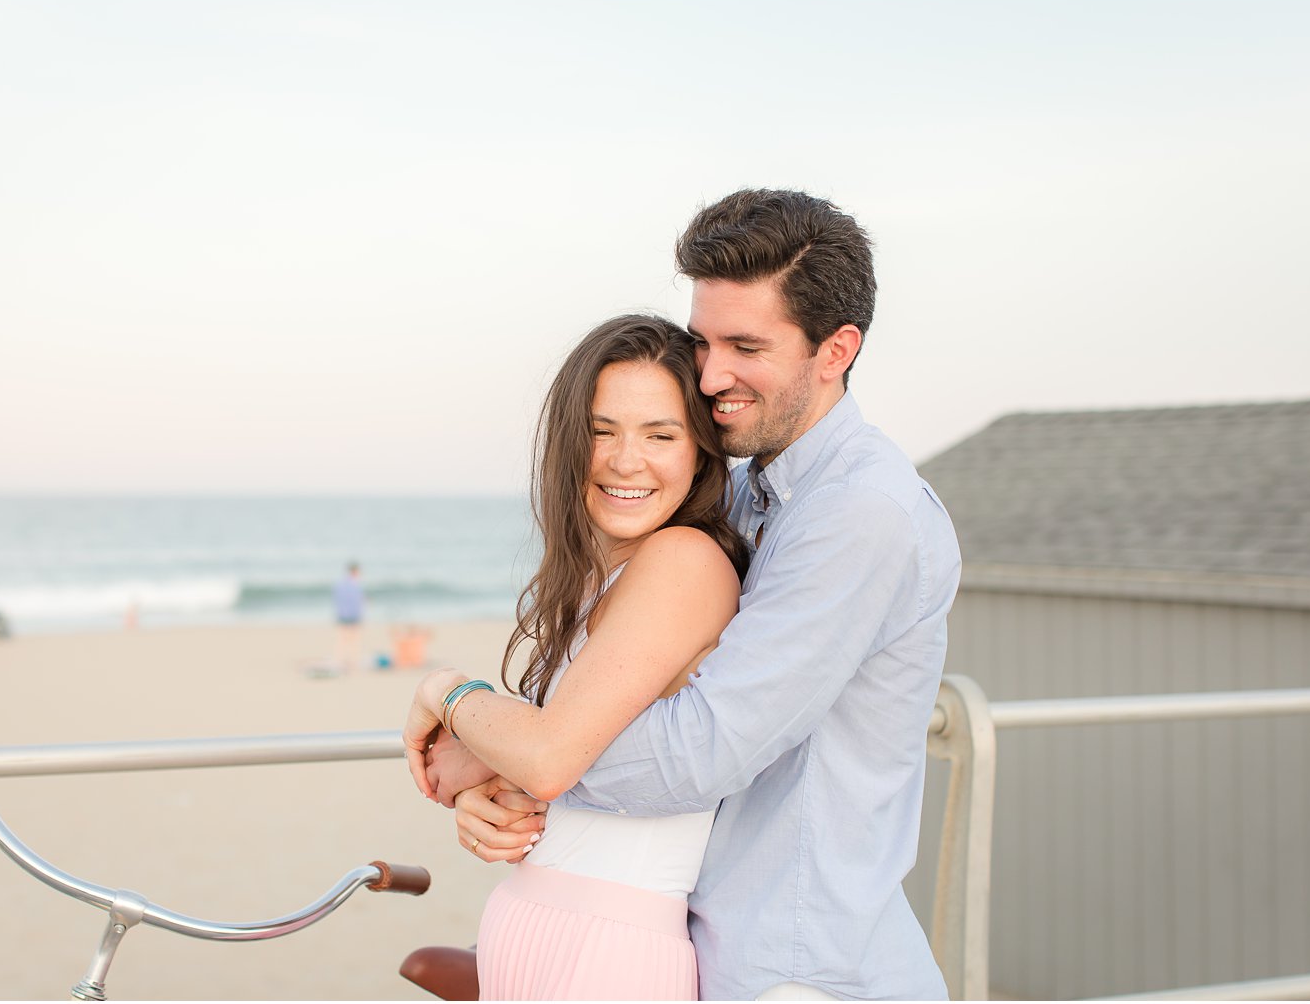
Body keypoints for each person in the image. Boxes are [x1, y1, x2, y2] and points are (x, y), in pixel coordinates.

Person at [427, 189, 962, 1000]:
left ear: (835, 350)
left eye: (744, 345)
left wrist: (494, 730)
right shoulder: (746, 489)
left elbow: (698, 751)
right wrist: (502, 772)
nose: (710, 375)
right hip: (713, 949)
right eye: (704, 340)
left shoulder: (861, 514)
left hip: (800, 970)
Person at [403, 313, 749, 1000]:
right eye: (601, 430)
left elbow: (551, 757)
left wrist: (445, 688)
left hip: (611, 949)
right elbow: (565, 758)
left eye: (661, 434)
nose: (626, 459)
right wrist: (484, 797)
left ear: (701, 452)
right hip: (530, 920)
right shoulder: (600, 576)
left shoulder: (686, 560)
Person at [332, 562, 365, 675]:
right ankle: (353, 661)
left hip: (342, 614)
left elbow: (337, 600)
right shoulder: (355, 584)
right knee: (354, 639)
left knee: (342, 638)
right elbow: (356, 602)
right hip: (352, 615)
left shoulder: (340, 584)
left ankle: (340, 660)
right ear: (355, 572)